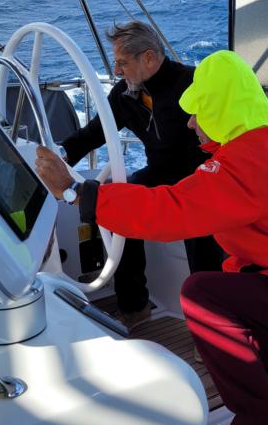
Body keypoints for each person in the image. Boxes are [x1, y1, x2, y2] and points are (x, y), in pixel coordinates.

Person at [36, 49, 268, 425]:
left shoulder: (239, 165)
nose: (191, 122)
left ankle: (265, 424)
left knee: (201, 294)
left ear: (222, 109)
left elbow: (167, 211)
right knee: (241, 342)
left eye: (199, 111)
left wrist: (77, 192)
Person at [59, 21, 225, 329]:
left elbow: (225, 139)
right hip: (159, 174)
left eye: (122, 63)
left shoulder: (191, 84)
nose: (116, 71)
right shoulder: (125, 94)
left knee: (203, 240)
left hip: (201, 180)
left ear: (148, 58)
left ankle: (213, 327)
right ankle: (134, 307)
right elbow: (93, 134)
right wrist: (60, 155)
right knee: (119, 206)